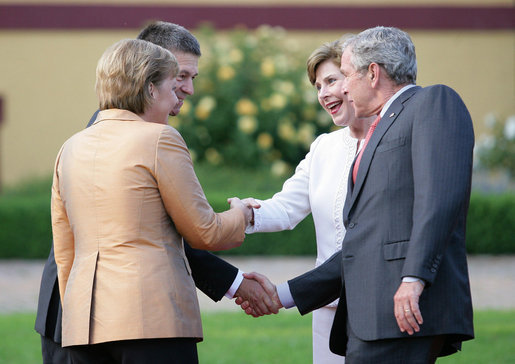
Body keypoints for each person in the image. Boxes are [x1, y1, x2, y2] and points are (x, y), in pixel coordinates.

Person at [35, 21, 275, 364]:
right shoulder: (159, 137)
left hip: (81, 323)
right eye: (176, 77)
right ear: (149, 85)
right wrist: (243, 213)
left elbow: (65, 248)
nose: (185, 90)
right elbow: (203, 231)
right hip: (151, 319)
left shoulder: (71, 146)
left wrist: (79, 310)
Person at [243, 26, 475, 363]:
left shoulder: (431, 102)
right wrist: (282, 295)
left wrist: (413, 279)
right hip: (369, 318)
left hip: (403, 308)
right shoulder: (372, 132)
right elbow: (362, 245)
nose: (341, 88)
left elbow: (438, 203)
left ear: (373, 73)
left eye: (345, 76)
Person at [237, 39, 375, 363]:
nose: (324, 93)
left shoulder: (389, 143)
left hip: (378, 306)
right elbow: (286, 207)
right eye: (317, 86)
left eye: (331, 80)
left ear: (356, 78)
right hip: (326, 307)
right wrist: (245, 214)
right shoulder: (323, 147)